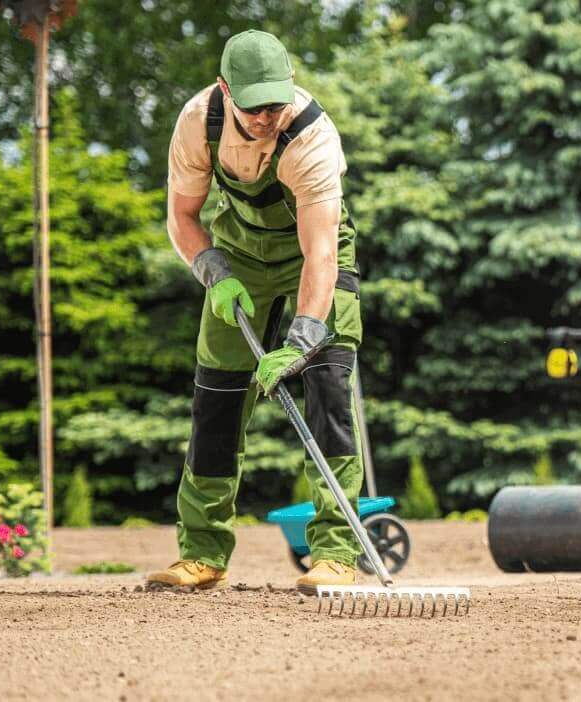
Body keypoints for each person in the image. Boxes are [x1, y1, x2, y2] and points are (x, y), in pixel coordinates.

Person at [147, 29, 364, 594]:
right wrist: (213, 273)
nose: (268, 115)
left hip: (313, 257)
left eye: (276, 101)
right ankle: (202, 553)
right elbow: (183, 218)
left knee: (328, 391)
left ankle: (337, 553)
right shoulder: (199, 122)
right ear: (225, 89)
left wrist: (304, 335)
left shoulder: (311, 135)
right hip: (238, 256)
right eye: (254, 105)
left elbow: (319, 252)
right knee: (215, 399)